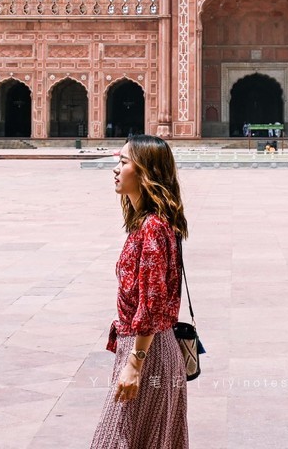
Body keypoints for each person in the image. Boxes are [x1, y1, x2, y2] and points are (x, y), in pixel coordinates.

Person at [92, 135, 189, 448]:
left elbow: (152, 303)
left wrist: (135, 364)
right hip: (152, 348)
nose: (116, 169)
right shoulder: (152, 223)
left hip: (147, 351)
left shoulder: (152, 228)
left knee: (116, 440)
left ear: (145, 170)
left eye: (123, 162)